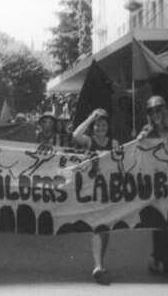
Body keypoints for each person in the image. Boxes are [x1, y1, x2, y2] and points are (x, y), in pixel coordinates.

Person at [137, 96, 168, 275]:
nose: (155, 115)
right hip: (156, 182)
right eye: (151, 112)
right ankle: (158, 259)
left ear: (164, 111)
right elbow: (140, 152)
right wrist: (140, 139)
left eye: (158, 110)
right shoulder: (148, 131)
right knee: (159, 222)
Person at [73, 108, 119, 281]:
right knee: (97, 225)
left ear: (108, 127)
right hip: (91, 190)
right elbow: (76, 135)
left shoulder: (113, 143)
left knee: (105, 228)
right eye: (97, 125)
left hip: (108, 190)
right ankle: (97, 264)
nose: (101, 128)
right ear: (93, 127)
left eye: (104, 125)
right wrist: (91, 116)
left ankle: (100, 261)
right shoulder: (89, 141)